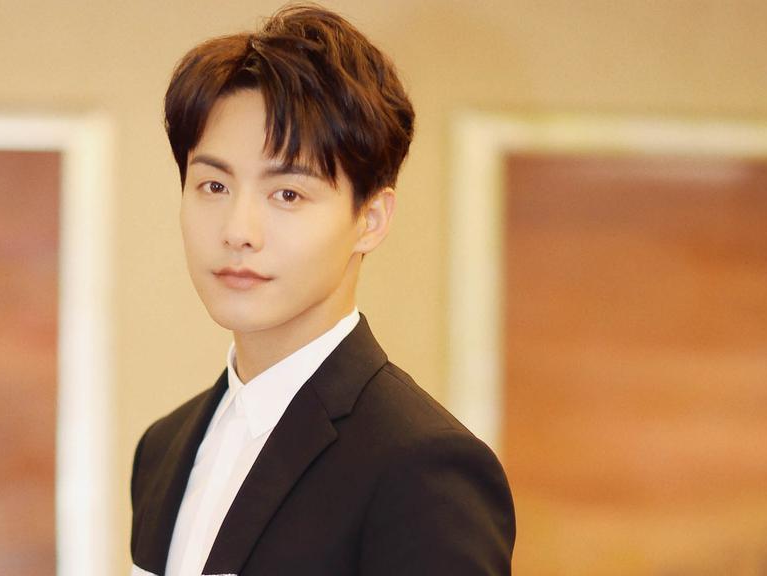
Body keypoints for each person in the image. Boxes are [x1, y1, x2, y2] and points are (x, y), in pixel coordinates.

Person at [129, 4, 515, 575]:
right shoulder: (162, 450)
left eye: (287, 194)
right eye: (213, 185)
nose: (238, 231)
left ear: (370, 220)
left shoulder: (421, 468)